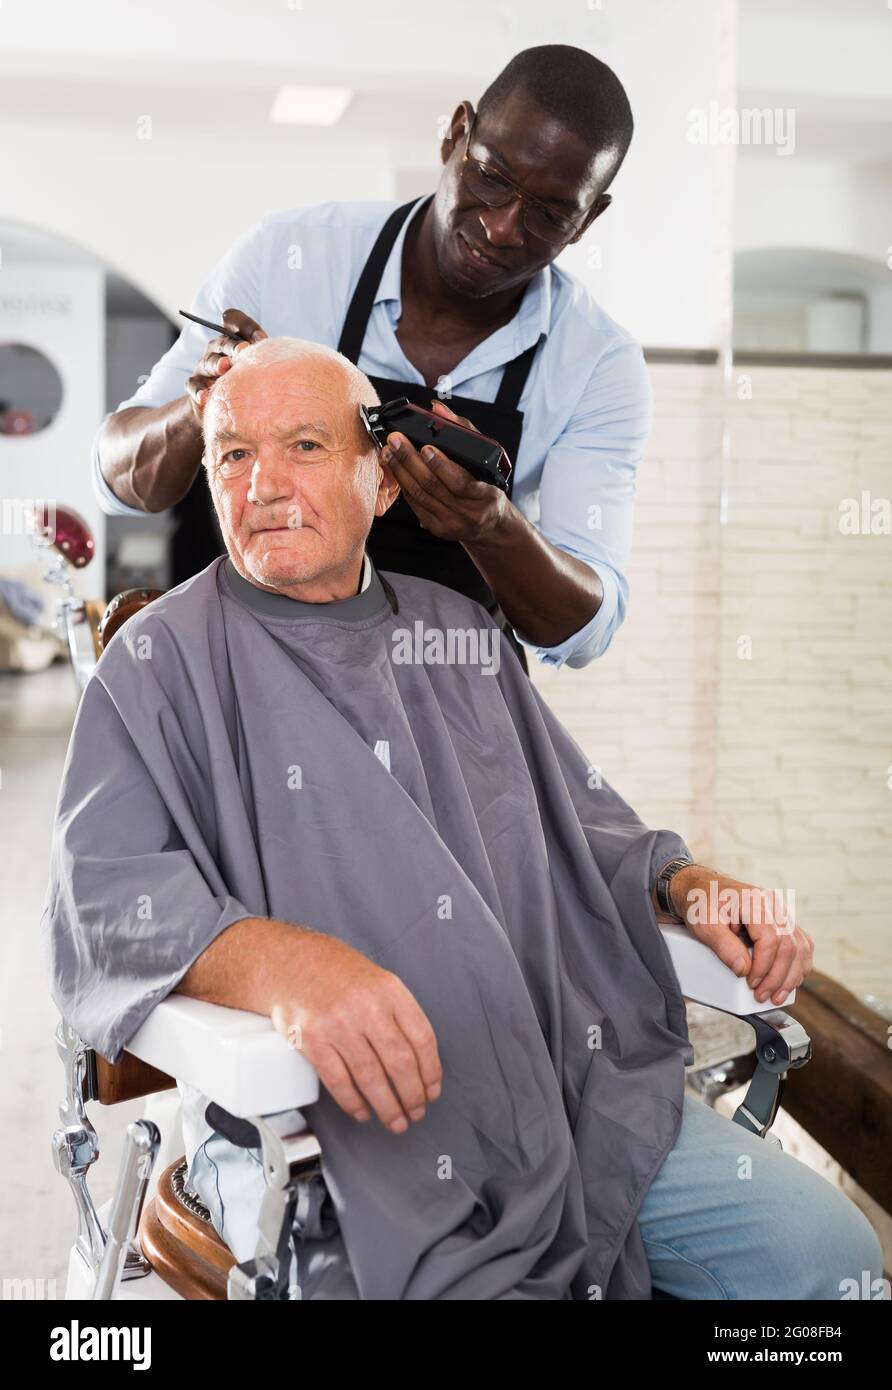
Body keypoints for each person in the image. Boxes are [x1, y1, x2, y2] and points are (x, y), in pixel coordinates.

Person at [47, 339, 882, 1300]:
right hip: (323, 1131)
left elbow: (579, 822)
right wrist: (284, 964)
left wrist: (682, 883)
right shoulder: (156, 665)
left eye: (306, 446)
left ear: (383, 482)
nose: (264, 483)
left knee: (828, 1262)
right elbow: (103, 903)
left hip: (561, 1083)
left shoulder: (458, 635)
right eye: (233, 454)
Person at [93, 45, 653, 671]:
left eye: (550, 214)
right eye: (491, 178)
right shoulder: (287, 260)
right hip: (246, 677)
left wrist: (492, 528)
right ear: (457, 135)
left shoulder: (599, 364)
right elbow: (119, 482)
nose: (502, 228)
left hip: (447, 704)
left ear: (587, 220)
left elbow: (582, 633)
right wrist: (199, 409)